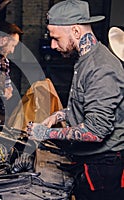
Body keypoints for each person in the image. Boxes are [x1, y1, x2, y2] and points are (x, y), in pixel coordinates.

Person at [25, 0, 124, 199]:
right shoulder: (84, 59)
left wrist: (47, 133)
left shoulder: (101, 68)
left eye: (56, 38)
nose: (52, 45)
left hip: (103, 168)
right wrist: (57, 115)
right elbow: (84, 104)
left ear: (76, 32)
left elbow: (96, 131)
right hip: (89, 161)